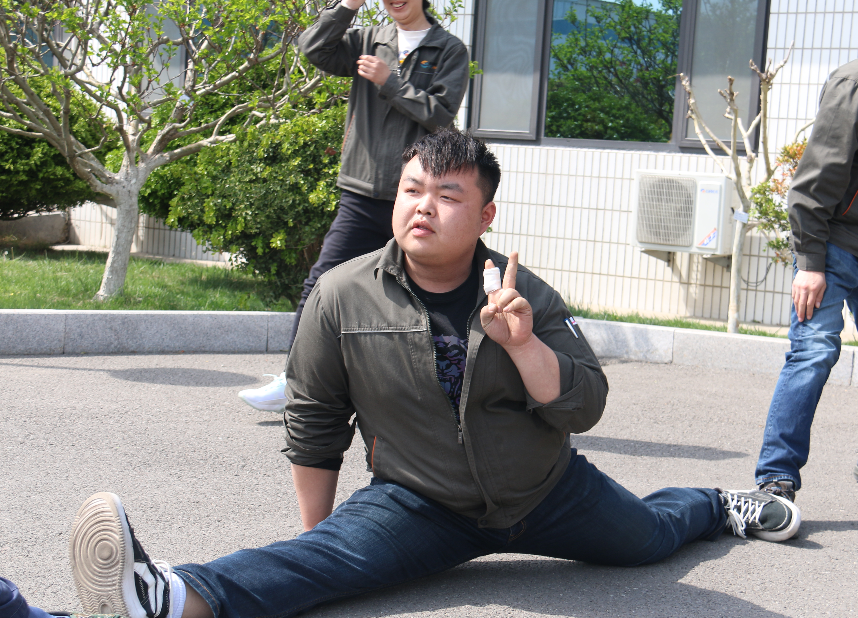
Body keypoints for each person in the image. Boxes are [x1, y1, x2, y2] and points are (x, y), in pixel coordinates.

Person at [70, 130, 800, 618]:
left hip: (548, 492)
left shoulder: (525, 292)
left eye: (448, 196)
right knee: (307, 564)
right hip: (419, 502)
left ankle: (718, 504)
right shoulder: (341, 295)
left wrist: (524, 344)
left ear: (485, 215)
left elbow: (584, 406)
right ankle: (164, 595)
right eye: (413, 189)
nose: (424, 207)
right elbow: (315, 420)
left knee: (650, 539)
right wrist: (322, 550)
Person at [237, 0, 470, 412]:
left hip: (414, 198)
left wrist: (390, 81)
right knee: (322, 285)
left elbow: (440, 116)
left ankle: (436, 394)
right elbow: (313, 48)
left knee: (419, 295)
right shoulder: (368, 39)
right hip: (361, 191)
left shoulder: (448, 49)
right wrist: (347, 6)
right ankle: (295, 382)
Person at [754, 59, 858, 502]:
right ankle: (776, 477)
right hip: (833, 245)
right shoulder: (853, 82)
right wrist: (811, 261)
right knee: (814, 353)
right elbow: (817, 176)